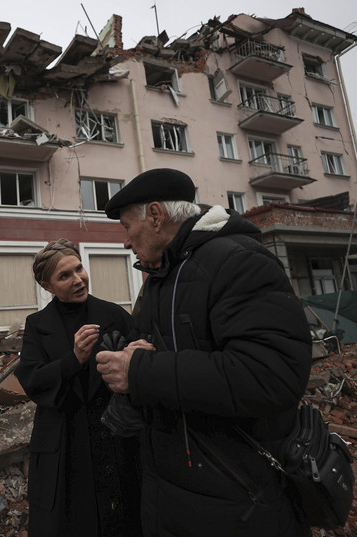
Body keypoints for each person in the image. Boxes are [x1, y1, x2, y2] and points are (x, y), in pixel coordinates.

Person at [95, 168, 313, 537]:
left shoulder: (239, 261)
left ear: (155, 215)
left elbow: (270, 376)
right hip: (175, 497)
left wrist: (141, 371)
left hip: (237, 502)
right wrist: (125, 353)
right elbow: (157, 356)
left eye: (126, 228)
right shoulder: (162, 277)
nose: (125, 242)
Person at [15, 238, 146, 537]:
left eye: (79, 268)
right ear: (48, 287)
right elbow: (32, 380)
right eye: (65, 276)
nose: (78, 279)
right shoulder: (38, 324)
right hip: (67, 445)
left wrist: (138, 357)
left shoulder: (114, 315)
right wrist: (73, 360)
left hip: (116, 439)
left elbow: (139, 367)